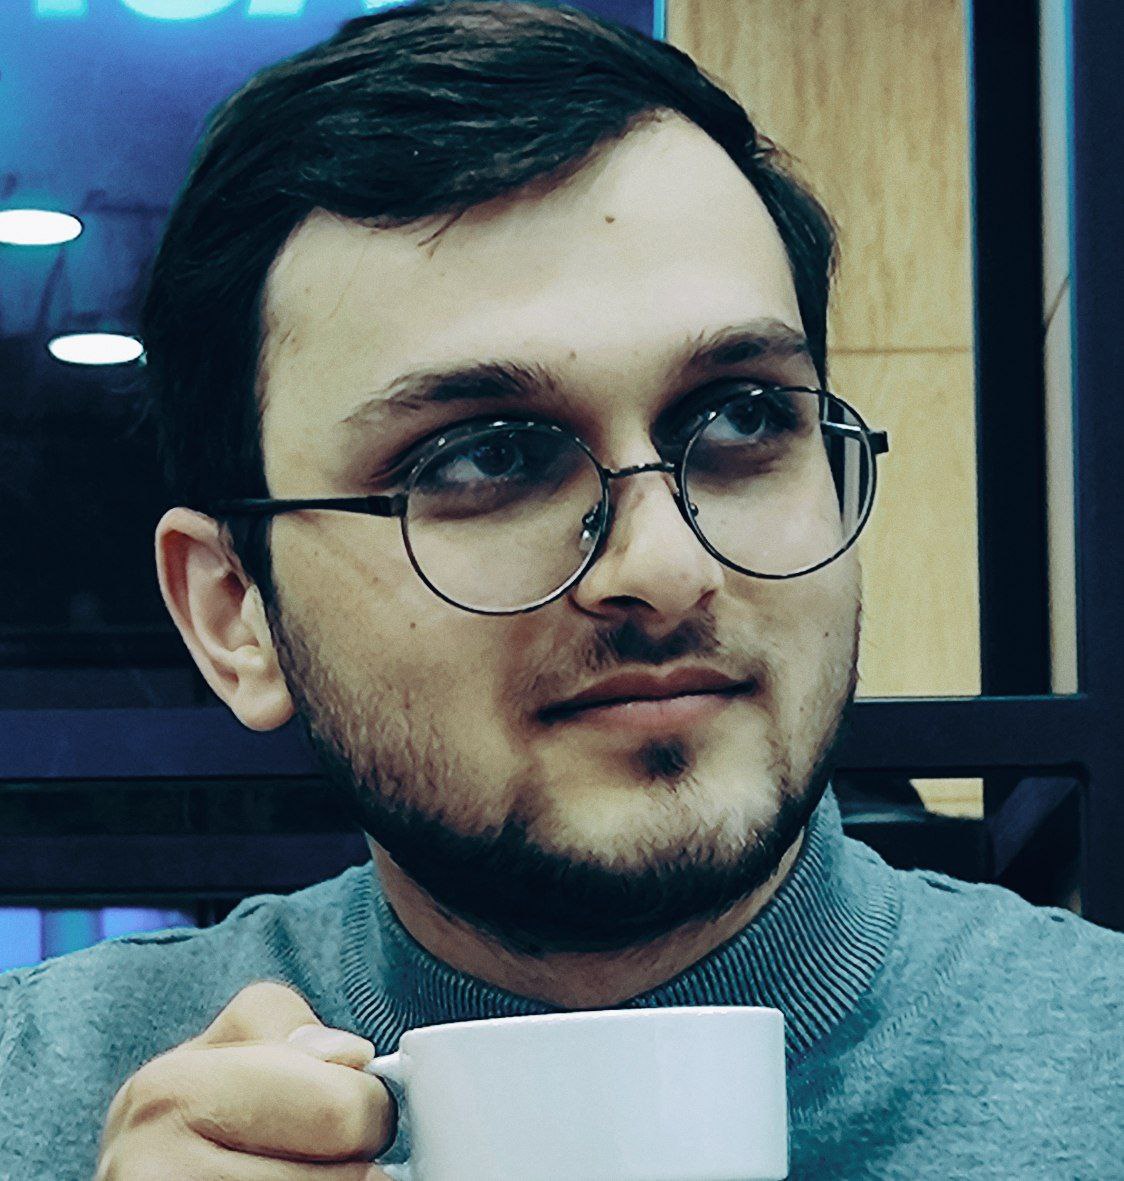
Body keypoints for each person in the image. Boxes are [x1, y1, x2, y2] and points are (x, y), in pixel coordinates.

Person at [1, 2, 1120, 1177]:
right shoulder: (44, 1097)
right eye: (483, 456)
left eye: (744, 417)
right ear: (236, 612)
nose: (665, 567)